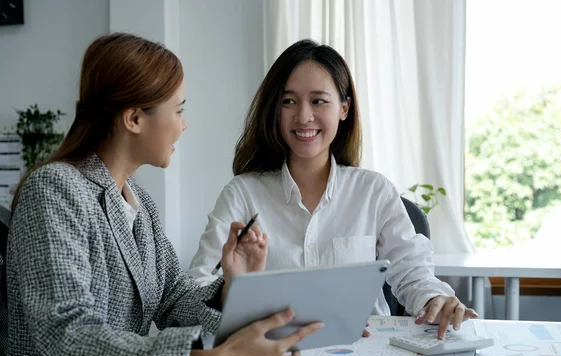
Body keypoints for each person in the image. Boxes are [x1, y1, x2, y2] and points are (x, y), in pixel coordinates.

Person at [0, 32, 323, 356]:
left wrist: (231, 287)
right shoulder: (54, 189)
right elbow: (66, 333)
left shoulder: (140, 203)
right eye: (179, 110)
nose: (183, 125)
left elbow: (172, 298)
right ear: (134, 118)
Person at [189, 39, 477, 338]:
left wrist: (434, 299)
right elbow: (196, 285)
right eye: (288, 101)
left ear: (344, 108)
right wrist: (232, 291)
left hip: (364, 354)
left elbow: (411, 272)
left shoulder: (373, 191)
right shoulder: (243, 194)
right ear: (274, 109)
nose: (303, 116)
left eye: (318, 101)